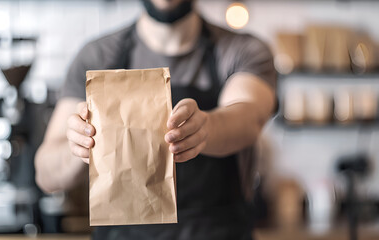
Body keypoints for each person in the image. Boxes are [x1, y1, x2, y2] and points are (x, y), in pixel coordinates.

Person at [35, 0, 277, 239]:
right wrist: (79, 145)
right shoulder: (98, 57)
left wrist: (206, 128)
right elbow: (46, 175)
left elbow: (249, 118)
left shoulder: (242, 50)